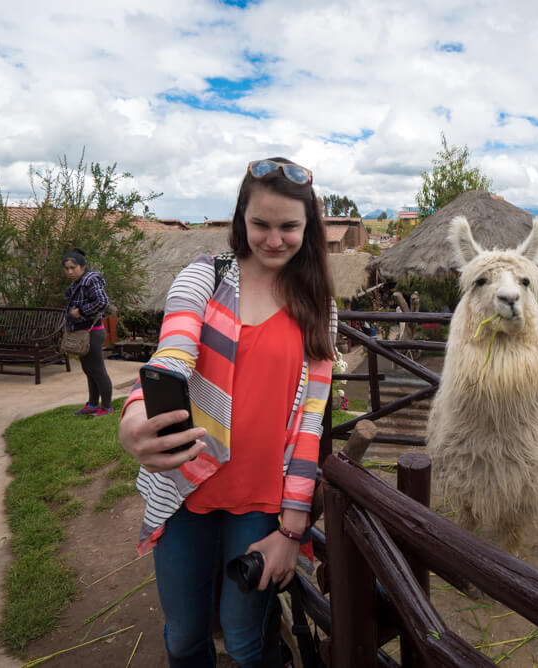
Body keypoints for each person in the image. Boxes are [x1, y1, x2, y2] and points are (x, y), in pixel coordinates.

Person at [118, 157, 336, 667]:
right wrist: (134, 420)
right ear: (241, 219)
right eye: (260, 224)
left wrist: (291, 530)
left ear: (308, 228)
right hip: (185, 488)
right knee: (184, 636)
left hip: (261, 501)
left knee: (244, 640)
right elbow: (171, 354)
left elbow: (309, 423)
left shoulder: (315, 305)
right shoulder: (205, 276)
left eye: (289, 227)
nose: (274, 239)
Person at [63, 248, 113, 416]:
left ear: (83, 267)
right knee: (89, 370)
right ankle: (92, 404)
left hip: (92, 333)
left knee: (97, 370)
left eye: (73, 267)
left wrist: (82, 311)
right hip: (81, 333)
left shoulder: (91, 279)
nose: (70, 271)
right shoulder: (78, 282)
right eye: (67, 268)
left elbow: (103, 301)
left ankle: (106, 407)